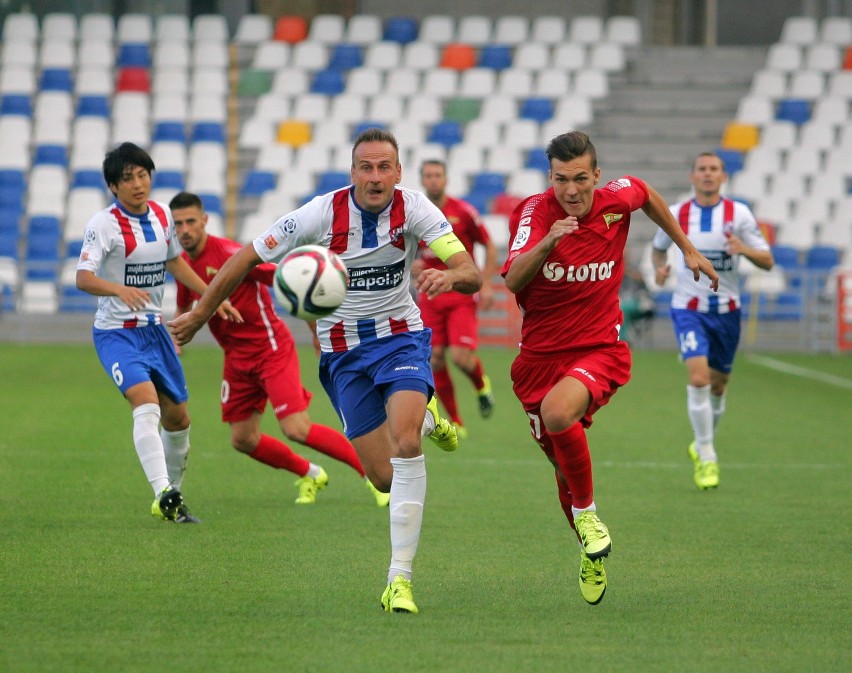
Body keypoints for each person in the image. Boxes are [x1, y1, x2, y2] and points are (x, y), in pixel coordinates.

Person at [169, 128, 481, 614]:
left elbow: (471, 271)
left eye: (384, 167)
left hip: (401, 337)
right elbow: (244, 257)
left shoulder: (415, 208)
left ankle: (399, 579)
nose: (375, 177)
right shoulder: (319, 213)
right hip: (342, 355)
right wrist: (200, 313)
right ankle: (428, 417)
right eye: (366, 167)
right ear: (351, 172)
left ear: (398, 172)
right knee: (381, 478)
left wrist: (450, 274)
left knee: (405, 446)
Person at [502, 131, 719, 606]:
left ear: (596, 176)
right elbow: (513, 277)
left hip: (599, 348)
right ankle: (589, 549)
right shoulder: (535, 214)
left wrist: (685, 247)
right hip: (538, 359)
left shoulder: (615, 200)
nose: (572, 190)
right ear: (550, 178)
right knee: (562, 468)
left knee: (559, 414)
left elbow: (646, 193)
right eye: (562, 180)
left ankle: (589, 514)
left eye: (581, 178)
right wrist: (547, 244)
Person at [169, 191, 389, 507]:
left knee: (296, 428)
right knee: (243, 439)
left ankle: (373, 477)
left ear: (205, 221)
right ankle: (310, 473)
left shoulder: (230, 254)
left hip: (270, 348)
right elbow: (185, 307)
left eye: (190, 221)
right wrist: (175, 340)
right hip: (235, 358)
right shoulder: (185, 266)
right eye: (178, 224)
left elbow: (292, 283)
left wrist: (315, 330)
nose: (185, 230)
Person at [75, 142, 239, 523]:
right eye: (128, 178)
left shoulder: (162, 215)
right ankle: (163, 491)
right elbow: (83, 277)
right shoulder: (104, 225)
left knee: (179, 419)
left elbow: (174, 263)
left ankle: (173, 496)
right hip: (117, 334)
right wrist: (118, 289)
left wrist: (210, 298)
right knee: (145, 403)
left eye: (143, 175)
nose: (138, 183)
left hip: (155, 332)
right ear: (114, 187)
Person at [651, 152, 774, 491]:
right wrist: (659, 270)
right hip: (688, 309)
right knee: (699, 376)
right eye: (702, 169)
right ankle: (706, 453)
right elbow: (658, 247)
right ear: (692, 176)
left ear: (723, 177)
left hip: (727, 312)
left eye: (714, 170)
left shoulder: (740, 215)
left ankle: (701, 441)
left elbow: (767, 261)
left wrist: (743, 250)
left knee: (719, 385)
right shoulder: (677, 213)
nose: (708, 174)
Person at [415, 159, 498, 437]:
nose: (434, 180)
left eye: (438, 174)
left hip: (460, 294)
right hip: (430, 295)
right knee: (435, 358)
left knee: (462, 357)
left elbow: (488, 244)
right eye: (428, 175)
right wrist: (412, 265)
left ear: (446, 179)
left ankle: (481, 386)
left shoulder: (463, 211)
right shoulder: (415, 214)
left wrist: (485, 282)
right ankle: (457, 422)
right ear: (423, 180)